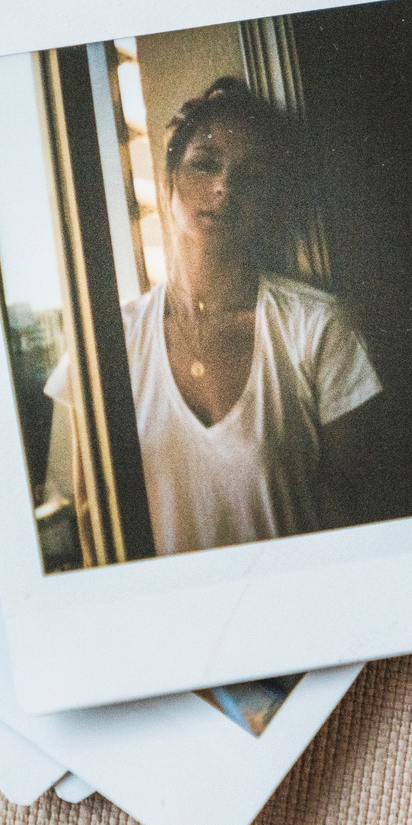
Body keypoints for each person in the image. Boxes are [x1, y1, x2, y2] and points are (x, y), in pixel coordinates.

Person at [47, 76, 382, 556]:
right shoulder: (107, 341)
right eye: (204, 165)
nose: (224, 186)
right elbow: (91, 521)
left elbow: (354, 515)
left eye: (251, 174)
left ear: (272, 195)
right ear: (169, 181)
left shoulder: (318, 329)